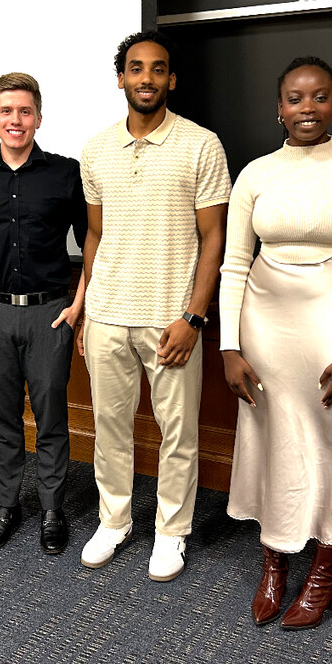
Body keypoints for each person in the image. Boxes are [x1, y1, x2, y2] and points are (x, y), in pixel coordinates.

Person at [218, 56, 332, 629]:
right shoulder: (256, 173)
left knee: (331, 440)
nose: (307, 109)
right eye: (295, 98)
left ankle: (324, 567)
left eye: (319, 97)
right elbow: (234, 263)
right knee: (271, 438)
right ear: (280, 107)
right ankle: (274, 560)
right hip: (264, 325)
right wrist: (228, 346)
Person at [79, 31, 231, 582]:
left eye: (158, 69)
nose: (147, 78)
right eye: (136, 69)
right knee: (110, 427)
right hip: (107, 315)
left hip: (172, 319)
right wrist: (90, 307)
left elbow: (214, 238)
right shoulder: (95, 149)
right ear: (121, 78)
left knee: (178, 433)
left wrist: (193, 317)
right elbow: (95, 235)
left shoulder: (201, 145)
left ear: (172, 79)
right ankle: (114, 521)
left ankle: (171, 532)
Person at [0, 72, 87, 556]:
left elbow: (93, 241)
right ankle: (6, 505)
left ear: (39, 118)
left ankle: (52, 508)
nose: (16, 120)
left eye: (24, 111)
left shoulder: (64, 173)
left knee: (51, 415)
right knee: (1, 416)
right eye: (7, 111)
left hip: (50, 314)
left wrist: (78, 305)